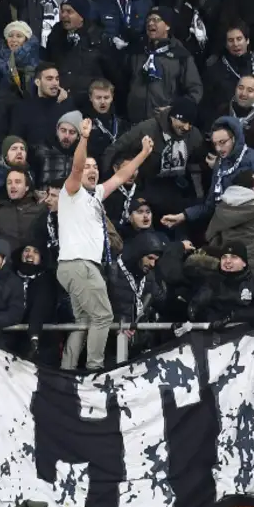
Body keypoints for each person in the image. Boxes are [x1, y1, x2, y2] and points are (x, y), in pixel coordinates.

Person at [57, 118, 153, 371]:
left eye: (95, 167)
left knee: (84, 320)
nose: (91, 170)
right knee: (103, 316)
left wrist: (143, 153)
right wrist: (84, 139)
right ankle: (95, 369)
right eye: (87, 167)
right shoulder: (71, 191)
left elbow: (121, 176)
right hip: (79, 264)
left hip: (77, 266)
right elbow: (76, 168)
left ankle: (67, 369)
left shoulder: (96, 195)